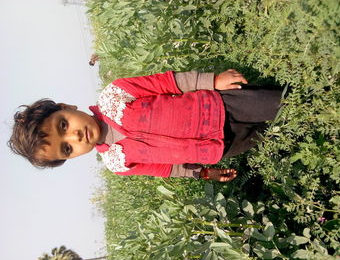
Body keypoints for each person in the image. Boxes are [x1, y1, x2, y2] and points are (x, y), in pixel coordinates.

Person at [8, 69, 283, 182]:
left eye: (64, 125)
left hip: (222, 106)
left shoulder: (114, 95)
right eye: (67, 147)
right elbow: (167, 168)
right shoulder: (117, 163)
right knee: (281, 132)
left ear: (67, 108)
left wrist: (212, 80)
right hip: (220, 148)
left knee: (282, 104)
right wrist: (202, 173)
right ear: (72, 156)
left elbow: (168, 82)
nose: (76, 136)